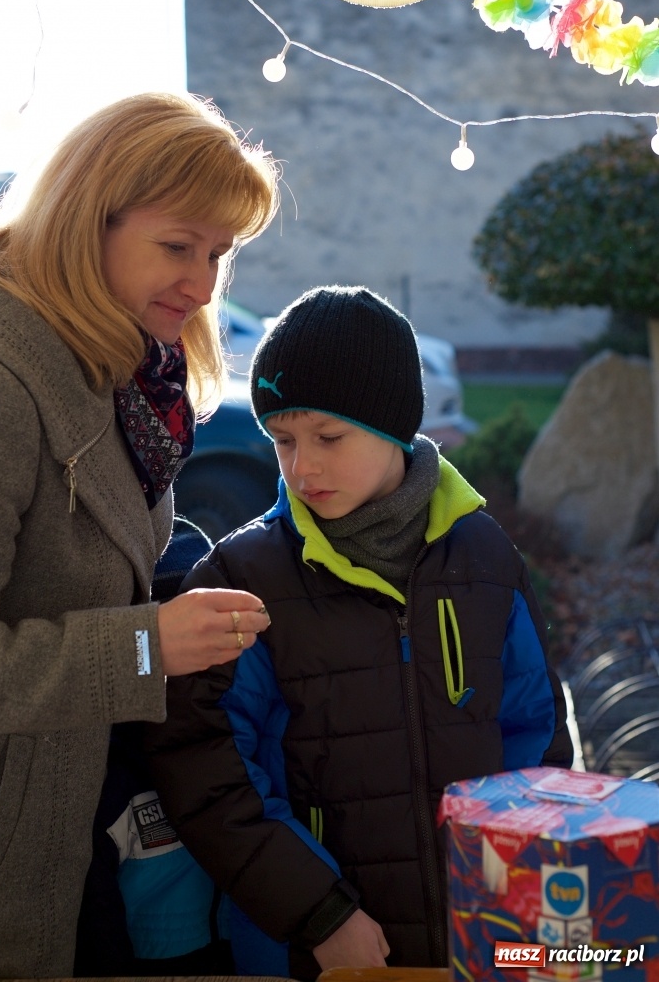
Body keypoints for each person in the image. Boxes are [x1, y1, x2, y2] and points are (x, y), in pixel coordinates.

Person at [0, 92, 276, 980]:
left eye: (219, 254)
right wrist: (144, 646)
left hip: (86, 828)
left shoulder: (119, 377)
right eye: (178, 246)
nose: (204, 284)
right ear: (88, 219)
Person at [145, 285, 573, 979]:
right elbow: (207, 772)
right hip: (318, 950)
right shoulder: (243, 579)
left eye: (329, 437)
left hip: (483, 934)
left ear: (395, 424)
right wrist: (318, 914)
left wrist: (533, 890)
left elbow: (535, 735)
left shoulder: (487, 557)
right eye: (281, 440)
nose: (302, 466)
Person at [75, 516, 235, 978]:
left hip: (236, 947)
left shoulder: (232, 730)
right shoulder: (108, 772)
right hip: (148, 957)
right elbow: (97, 929)